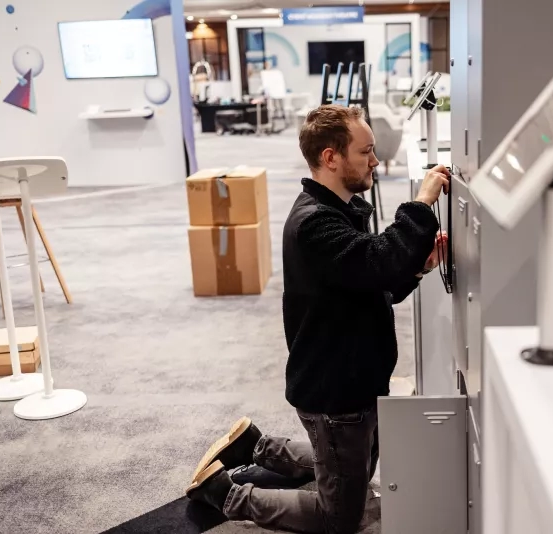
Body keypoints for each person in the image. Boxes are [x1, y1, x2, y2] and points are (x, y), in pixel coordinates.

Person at [186, 105, 450, 534]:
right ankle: (224, 493)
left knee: (357, 465)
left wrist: (417, 267)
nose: (376, 160)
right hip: (335, 395)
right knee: (340, 517)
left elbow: (372, 281)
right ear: (331, 158)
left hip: (355, 381)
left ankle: (258, 447)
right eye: (366, 151)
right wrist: (421, 203)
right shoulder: (315, 223)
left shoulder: (340, 210)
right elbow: (377, 261)